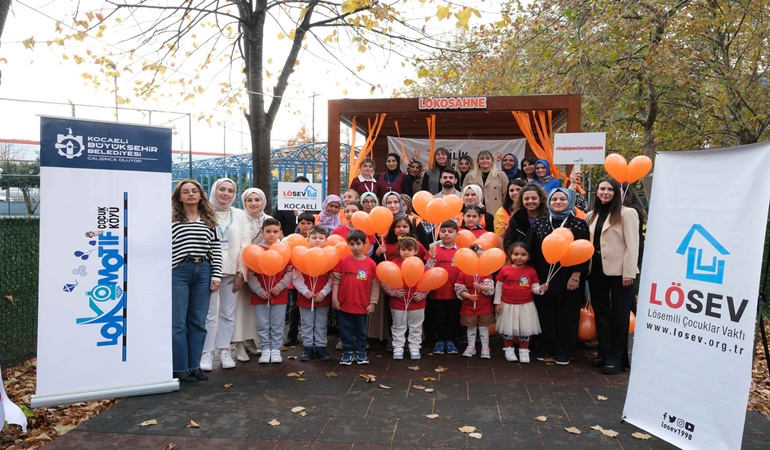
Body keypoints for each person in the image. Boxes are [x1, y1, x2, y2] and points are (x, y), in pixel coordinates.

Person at [527, 188, 590, 365]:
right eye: (554, 199)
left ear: (569, 201)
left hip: (569, 278)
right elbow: (530, 249)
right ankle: (545, 348)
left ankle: (564, 351)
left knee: (567, 317)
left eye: (563, 199)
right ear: (548, 202)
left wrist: (576, 276)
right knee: (545, 315)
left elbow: (583, 251)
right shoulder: (540, 223)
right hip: (543, 277)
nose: (558, 202)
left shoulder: (579, 224)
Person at [586, 179, 640, 375]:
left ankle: (617, 359)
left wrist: (629, 271)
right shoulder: (592, 215)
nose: (605, 192)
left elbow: (632, 245)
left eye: (610, 189)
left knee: (620, 314)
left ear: (617, 193)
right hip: (596, 268)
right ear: (597, 192)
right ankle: (604, 353)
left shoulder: (627, 213)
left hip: (620, 271)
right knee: (601, 313)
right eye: (602, 188)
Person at [171, 179, 222, 382]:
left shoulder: (210, 220)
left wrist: (216, 274)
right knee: (178, 323)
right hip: (179, 271)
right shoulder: (171, 219)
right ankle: (180, 367)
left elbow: (216, 249)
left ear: (201, 195)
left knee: (198, 322)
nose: (190, 194)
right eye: (186, 192)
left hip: (203, 271)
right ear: (179, 197)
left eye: (194, 191)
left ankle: (195, 365)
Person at [200, 178, 249, 372]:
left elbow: (245, 245)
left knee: (228, 314)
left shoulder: (239, 214)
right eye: (222, 189)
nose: (226, 193)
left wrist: (241, 273)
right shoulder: (203, 211)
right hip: (209, 271)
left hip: (231, 272)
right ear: (214, 190)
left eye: (230, 190)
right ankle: (206, 352)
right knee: (209, 315)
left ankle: (224, 349)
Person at [232, 187, 271, 361]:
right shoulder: (238, 218)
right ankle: (238, 343)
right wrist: (241, 271)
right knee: (239, 308)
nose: (254, 203)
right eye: (249, 200)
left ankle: (250, 340)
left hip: (261, 273)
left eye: (257, 199)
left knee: (254, 308)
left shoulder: (269, 219)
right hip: (240, 269)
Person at [247, 218, 293, 364]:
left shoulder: (285, 250)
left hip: (279, 294)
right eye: (268, 232)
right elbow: (250, 273)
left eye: (275, 232)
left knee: (278, 323)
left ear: (280, 232)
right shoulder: (256, 249)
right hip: (261, 295)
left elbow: (290, 272)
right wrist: (258, 289)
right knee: (262, 323)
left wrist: (280, 286)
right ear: (262, 232)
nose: (271, 235)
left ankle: (276, 349)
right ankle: (265, 348)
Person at [332, 229, 380, 365]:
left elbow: (374, 285)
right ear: (348, 244)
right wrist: (334, 299)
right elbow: (336, 281)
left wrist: (373, 302)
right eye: (352, 244)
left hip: (362, 304)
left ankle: (360, 351)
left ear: (365, 244)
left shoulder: (370, 264)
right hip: (344, 303)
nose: (355, 247)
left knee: (361, 330)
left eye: (358, 244)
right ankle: (347, 351)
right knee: (345, 329)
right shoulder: (343, 261)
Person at [494, 241, 546, 363]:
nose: (519, 257)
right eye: (516, 254)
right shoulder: (505, 270)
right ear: (510, 255)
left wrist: (540, 289)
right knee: (508, 329)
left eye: (523, 254)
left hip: (525, 305)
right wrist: (497, 303)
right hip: (507, 304)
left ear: (529, 256)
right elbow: (498, 287)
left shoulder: (531, 271)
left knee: (525, 329)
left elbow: (534, 288)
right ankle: (508, 349)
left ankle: (524, 351)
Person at [381, 237, 428, 360]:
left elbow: (428, 281)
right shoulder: (393, 264)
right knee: (398, 325)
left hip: (417, 302)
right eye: (403, 249)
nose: (406, 252)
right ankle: (398, 347)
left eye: (409, 250)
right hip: (398, 302)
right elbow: (385, 281)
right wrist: (393, 292)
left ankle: (414, 347)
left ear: (416, 251)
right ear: (399, 250)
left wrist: (422, 294)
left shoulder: (420, 264)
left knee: (416, 326)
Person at [292, 225, 334, 362]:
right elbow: (296, 277)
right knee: (306, 323)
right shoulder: (301, 255)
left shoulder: (329, 256)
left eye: (321, 238)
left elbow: (332, 278)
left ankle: (321, 346)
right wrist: (305, 291)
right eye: (314, 238)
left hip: (322, 297)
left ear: (326, 240)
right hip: (306, 297)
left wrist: (324, 292)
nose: (317, 240)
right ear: (307, 239)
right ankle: (308, 347)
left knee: (321, 323)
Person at [423, 220, 461, 355]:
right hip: (437, 293)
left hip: (454, 293)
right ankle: (439, 341)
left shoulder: (461, 252)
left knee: (453, 317)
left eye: (450, 232)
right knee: (437, 318)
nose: (446, 234)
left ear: (457, 234)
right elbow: (427, 270)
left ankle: (450, 340)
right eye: (443, 231)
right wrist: (431, 258)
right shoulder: (434, 250)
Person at [455, 244, 495, 358]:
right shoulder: (463, 273)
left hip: (484, 306)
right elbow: (459, 288)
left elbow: (490, 288)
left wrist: (481, 287)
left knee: (483, 327)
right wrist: (468, 295)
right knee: (470, 326)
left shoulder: (486, 272)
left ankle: (485, 347)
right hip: (469, 306)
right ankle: (471, 346)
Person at [284, 211, 316, 347]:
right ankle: (292, 335)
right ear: (298, 224)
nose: (305, 226)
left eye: (309, 223)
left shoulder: (316, 239)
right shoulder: (293, 239)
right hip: (295, 280)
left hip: (312, 279)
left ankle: (313, 335)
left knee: (312, 308)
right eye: (302, 223)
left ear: (314, 224)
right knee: (294, 307)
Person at [503, 184, 548, 251]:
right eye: (526, 199)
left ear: (540, 199)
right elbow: (508, 242)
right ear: (522, 201)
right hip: (522, 259)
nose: (530, 201)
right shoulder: (516, 219)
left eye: (534, 198)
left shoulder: (548, 218)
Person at [462, 150, 509, 214]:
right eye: (482, 159)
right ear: (478, 161)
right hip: (474, 212)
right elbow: (463, 194)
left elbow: (506, 195)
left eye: (487, 158)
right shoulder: (470, 176)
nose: (485, 161)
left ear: (492, 161)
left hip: (495, 211)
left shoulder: (501, 175)